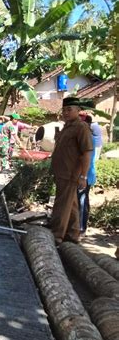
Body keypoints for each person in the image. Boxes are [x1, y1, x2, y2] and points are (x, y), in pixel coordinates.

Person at [51, 97, 93, 245]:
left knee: (62, 204)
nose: (66, 112)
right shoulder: (66, 127)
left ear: (78, 110)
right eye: (64, 110)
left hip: (70, 173)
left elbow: (87, 153)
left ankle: (57, 235)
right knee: (71, 203)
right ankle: (73, 234)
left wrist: (83, 175)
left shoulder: (81, 127)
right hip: (61, 172)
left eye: (69, 109)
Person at [77, 112, 97, 236]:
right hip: (85, 175)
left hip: (85, 175)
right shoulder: (87, 137)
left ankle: (81, 228)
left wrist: (83, 176)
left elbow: (86, 159)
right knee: (82, 200)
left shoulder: (88, 138)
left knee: (81, 201)